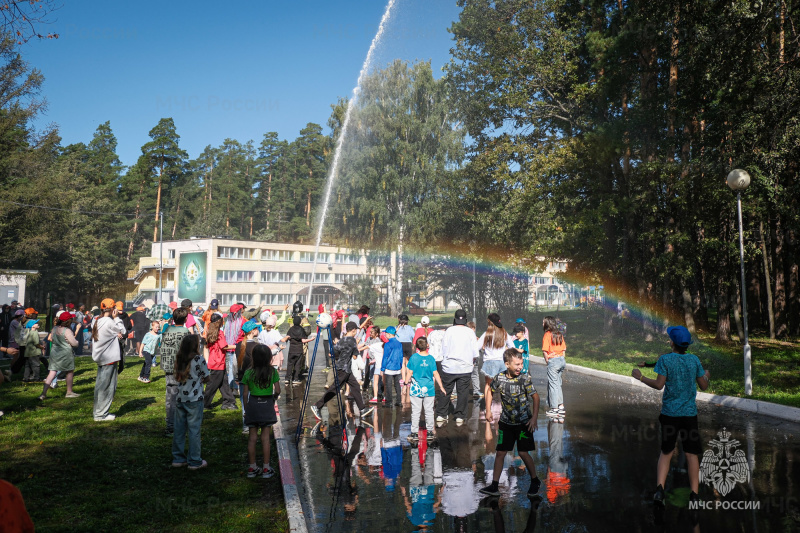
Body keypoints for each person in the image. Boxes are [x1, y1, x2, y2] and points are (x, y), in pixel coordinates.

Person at [631, 326, 710, 505]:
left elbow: (659, 385)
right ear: (687, 345)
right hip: (689, 416)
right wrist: (707, 375)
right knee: (691, 454)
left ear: (672, 343)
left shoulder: (666, 360)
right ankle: (695, 495)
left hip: (669, 415)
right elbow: (704, 386)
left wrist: (640, 377)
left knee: (666, 452)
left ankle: (660, 491)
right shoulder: (694, 360)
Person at [480, 348, 541, 497]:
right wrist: (488, 410)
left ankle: (535, 480)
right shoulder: (499, 378)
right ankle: (494, 485)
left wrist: (533, 418)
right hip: (506, 423)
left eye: (521, 364)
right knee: (500, 452)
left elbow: (536, 397)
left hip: (523, 423)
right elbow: (490, 392)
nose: (520, 367)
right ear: (507, 364)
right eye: (516, 364)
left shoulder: (524, 378)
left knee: (523, 452)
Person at [310, 322, 375, 420]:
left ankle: (362, 409)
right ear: (353, 330)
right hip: (344, 369)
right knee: (334, 389)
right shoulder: (352, 340)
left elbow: (333, 353)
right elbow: (355, 355)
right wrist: (355, 345)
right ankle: (317, 406)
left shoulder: (342, 340)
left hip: (344, 368)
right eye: (356, 330)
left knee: (356, 386)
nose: (356, 332)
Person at [171, 334, 210, 470]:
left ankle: (178, 458)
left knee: (179, 429)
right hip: (195, 399)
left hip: (181, 398)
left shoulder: (180, 358)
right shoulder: (199, 359)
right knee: (194, 430)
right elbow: (207, 377)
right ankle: (194, 461)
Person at [243, 344, 281, 478]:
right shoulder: (272, 372)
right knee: (265, 438)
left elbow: (245, 393)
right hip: (266, 404)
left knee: (252, 438)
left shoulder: (248, 372)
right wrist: (273, 398)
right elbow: (277, 390)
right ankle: (266, 468)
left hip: (253, 403)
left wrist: (247, 408)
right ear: (269, 358)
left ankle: (252, 468)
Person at [436, 310, 478, 426]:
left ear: (455, 319)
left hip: (449, 367)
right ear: (465, 320)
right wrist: (472, 362)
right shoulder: (470, 332)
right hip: (465, 367)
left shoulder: (449, 331)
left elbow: (443, 349)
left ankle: (441, 414)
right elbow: (475, 352)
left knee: (446, 390)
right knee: (463, 392)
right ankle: (460, 416)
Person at [91, 299, 126, 421]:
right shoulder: (110, 322)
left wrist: (115, 333)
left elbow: (115, 333)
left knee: (100, 386)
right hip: (109, 358)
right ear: (113, 309)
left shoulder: (96, 321)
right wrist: (116, 318)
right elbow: (123, 331)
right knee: (108, 387)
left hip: (101, 358)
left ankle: (98, 412)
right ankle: (101, 414)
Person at [407, 337, 445, 443]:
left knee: (415, 411)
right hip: (429, 389)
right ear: (427, 345)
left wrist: (405, 382)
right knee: (429, 411)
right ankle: (429, 432)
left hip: (416, 389)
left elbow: (409, 372)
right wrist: (441, 387)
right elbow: (435, 373)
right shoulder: (431, 359)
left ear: (417, 347)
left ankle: (414, 433)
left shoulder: (414, 357)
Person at [160, 307, 191, 435]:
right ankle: (175, 425)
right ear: (185, 319)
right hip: (180, 368)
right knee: (179, 397)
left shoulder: (167, 330)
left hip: (168, 366)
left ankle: (170, 423)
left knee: (170, 396)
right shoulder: (185, 332)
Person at [39, 312, 80, 400]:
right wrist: (77, 342)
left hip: (54, 353)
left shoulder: (54, 329)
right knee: (69, 372)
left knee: (52, 372)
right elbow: (74, 343)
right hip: (66, 354)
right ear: (69, 321)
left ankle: (43, 394)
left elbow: (52, 339)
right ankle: (69, 392)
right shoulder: (67, 331)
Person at [203, 313, 237, 410]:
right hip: (219, 362)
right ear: (220, 322)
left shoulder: (209, 331)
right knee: (212, 385)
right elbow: (224, 346)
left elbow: (207, 347)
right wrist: (237, 346)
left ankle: (228, 402)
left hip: (214, 361)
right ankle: (204, 403)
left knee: (224, 383)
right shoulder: (219, 333)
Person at [478, 313, 515, 400]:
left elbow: (476, 347)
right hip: (502, 362)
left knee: (488, 385)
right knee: (503, 386)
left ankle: (488, 407)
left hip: (489, 362)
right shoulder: (504, 333)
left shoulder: (487, 334)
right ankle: (505, 407)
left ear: (490, 322)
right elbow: (512, 347)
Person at [235, 319, 261, 433]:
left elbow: (236, 364)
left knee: (244, 402)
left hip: (242, 378)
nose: (258, 329)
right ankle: (255, 423)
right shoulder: (257, 346)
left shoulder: (238, 345)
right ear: (252, 331)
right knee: (255, 401)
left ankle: (246, 426)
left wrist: (237, 377)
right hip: (255, 378)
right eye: (256, 328)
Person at [542, 316, 567, 421]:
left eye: (543, 322)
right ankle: (561, 407)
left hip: (553, 361)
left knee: (553, 385)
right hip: (561, 360)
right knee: (558, 383)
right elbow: (564, 349)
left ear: (547, 324)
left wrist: (548, 361)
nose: (542, 324)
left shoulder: (547, 335)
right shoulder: (559, 334)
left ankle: (554, 409)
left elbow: (545, 351)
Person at [285, 316, 313, 385]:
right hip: (299, 350)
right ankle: (295, 379)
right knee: (297, 365)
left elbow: (287, 337)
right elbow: (303, 340)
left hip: (291, 350)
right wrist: (311, 339)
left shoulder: (291, 329)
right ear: (300, 322)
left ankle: (287, 379)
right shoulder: (301, 329)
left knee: (290, 364)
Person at [380, 326, 403, 407]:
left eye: (386, 333)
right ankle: (399, 401)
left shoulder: (387, 344)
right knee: (397, 385)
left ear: (389, 334)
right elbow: (401, 356)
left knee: (388, 385)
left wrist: (382, 368)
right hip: (397, 367)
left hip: (389, 367)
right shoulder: (399, 343)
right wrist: (400, 365)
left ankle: (389, 402)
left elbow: (385, 357)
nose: (385, 334)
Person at [364, 326, 383, 403]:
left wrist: (374, 360)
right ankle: (375, 392)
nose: (370, 333)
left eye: (372, 332)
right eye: (370, 332)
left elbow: (380, 353)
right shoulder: (369, 339)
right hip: (370, 360)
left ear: (377, 334)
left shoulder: (378, 341)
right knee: (371, 377)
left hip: (376, 361)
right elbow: (365, 347)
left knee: (378, 378)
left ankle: (379, 392)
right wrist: (363, 359)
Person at [395, 314, 415, 385]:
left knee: (402, 362)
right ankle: (408, 378)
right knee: (408, 362)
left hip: (400, 345)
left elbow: (394, 335)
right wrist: (413, 345)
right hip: (408, 344)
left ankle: (403, 378)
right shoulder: (409, 328)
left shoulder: (397, 327)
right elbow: (413, 336)